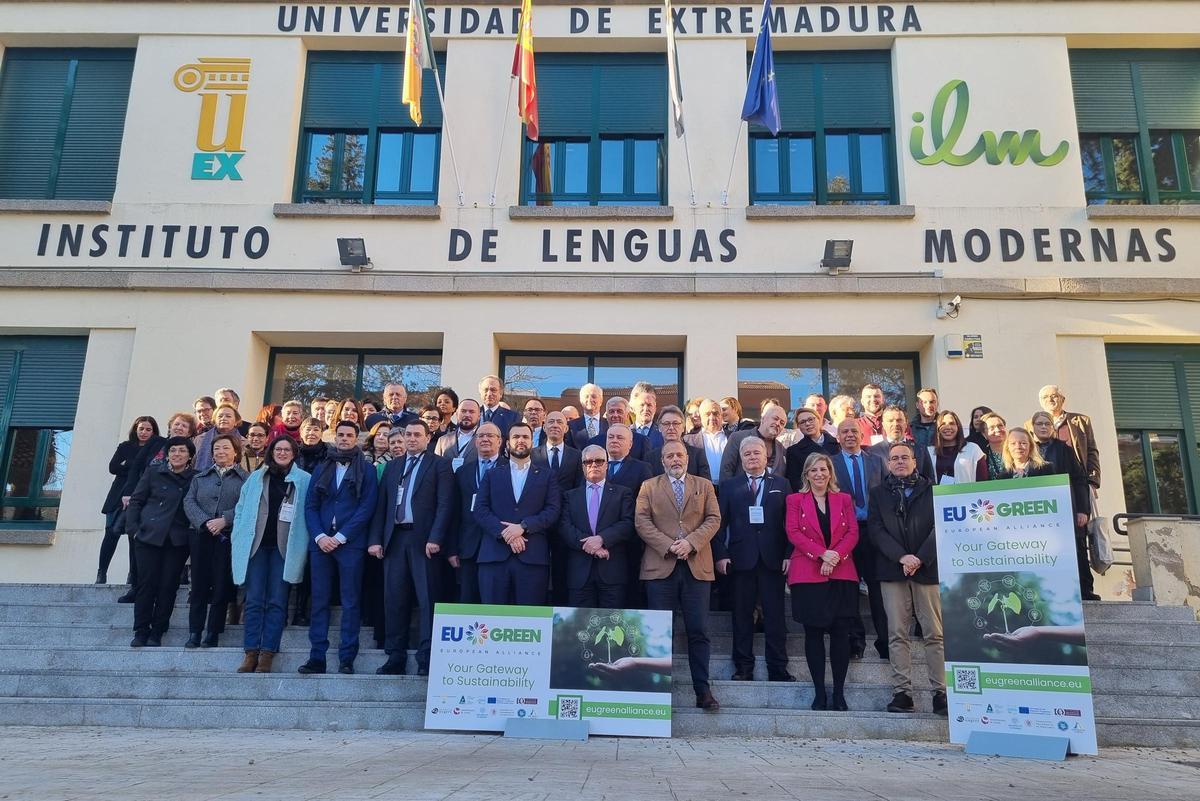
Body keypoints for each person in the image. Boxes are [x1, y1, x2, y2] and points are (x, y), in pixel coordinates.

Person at [636, 441, 722, 711]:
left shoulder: (704, 485)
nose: (675, 459)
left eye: (679, 455)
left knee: (698, 630)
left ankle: (702, 689)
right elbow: (641, 521)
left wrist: (691, 542)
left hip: (696, 566)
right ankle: (658, 691)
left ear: (687, 458)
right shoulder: (648, 486)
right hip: (661, 566)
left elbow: (714, 519)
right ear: (662, 460)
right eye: (669, 455)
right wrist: (669, 545)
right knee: (659, 632)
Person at [867, 442, 946, 716]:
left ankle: (941, 693)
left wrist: (920, 558)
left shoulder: (933, 491)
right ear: (888, 464)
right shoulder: (878, 494)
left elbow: (941, 527)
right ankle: (902, 693)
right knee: (897, 634)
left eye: (905, 457)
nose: (899, 462)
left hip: (927, 570)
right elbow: (876, 531)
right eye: (894, 458)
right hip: (893, 570)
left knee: (934, 634)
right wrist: (902, 557)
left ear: (915, 461)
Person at [370, 420, 454, 675]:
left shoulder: (440, 465)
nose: (412, 438)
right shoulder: (393, 467)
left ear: (428, 438)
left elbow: (445, 505)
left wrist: (436, 537)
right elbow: (381, 506)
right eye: (408, 434)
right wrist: (376, 539)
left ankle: (426, 657)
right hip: (395, 540)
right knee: (394, 599)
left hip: (424, 541)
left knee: (428, 600)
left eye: (418, 434)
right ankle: (395, 656)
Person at [300, 420, 379, 675]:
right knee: (320, 600)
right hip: (321, 544)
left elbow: (367, 507)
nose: (344, 439)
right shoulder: (322, 467)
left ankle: (347, 657)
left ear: (356, 438)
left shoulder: (366, 470)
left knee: (350, 601)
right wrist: (320, 536)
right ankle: (317, 657)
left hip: (350, 545)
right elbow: (310, 506)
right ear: (334, 437)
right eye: (340, 435)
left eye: (349, 435)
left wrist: (342, 536)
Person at [714, 437, 793, 683]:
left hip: (773, 559)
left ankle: (778, 668)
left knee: (775, 616)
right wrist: (721, 554)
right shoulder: (729, 486)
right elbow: (717, 525)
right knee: (742, 615)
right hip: (740, 560)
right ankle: (743, 668)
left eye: (756, 453)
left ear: (765, 457)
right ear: (741, 458)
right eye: (746, 454)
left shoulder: (782, 483)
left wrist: (789, 555)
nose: (751, 457)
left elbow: (790, 524)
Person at [231, 435, 311, 674]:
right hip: (256, 546)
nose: (283, 453)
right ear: (271, 451)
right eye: (279, 449)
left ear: (294, 453)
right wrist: (237, 535)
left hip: (284, 548)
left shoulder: (304, 480)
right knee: (254, 600)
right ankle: (250, 652)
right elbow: (240, 510)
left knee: (277, 601)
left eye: (288, 449)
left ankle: (267, 652)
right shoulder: (256, 478)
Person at [786, 452, 860, 710]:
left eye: (823, 469)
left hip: (841, 572)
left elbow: (852, 532)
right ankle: (819, 692)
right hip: (808, 573)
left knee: (841, 634)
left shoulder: (844, 499)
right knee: (813, 634)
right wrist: (821, 554)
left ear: (831, 473)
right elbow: (793, 532)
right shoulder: (794, 500)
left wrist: (835, 556)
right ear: (806, 474)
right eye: (813, 470)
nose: (819, 474)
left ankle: (838, 693)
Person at [474, 422, 561, 604]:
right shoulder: (492, 475)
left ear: (532, 442)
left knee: (529, 620)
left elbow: (553, 510)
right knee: (493, 618)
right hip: (494, 558)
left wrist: (523, 527)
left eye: (525, 437)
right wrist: (506, 533)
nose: (520, 440)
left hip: (532, 559)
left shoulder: (548, 475)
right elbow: (481, 510)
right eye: (516, 437)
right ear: (507, 443)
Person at [116, 412, 197, 602]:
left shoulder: (193, 471)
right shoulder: (155, 443)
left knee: (167, 581)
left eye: (184, 426)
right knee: (143, 568)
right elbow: (136, 467)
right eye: (176, 424)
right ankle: (135, 588)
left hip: (175, 529)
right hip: (148, 513)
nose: (179, 428)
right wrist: (133, 527)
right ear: (169, 426)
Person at [126, 436, 196, 648]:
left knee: (168, 586)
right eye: (173, 451)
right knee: (146, 585)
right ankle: (140, 630)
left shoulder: (196, 478)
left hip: (177, 539)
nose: (177, 454)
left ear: (190, 456)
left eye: (182, 451)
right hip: (148, 536)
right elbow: (136, 500)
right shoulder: (153, 472)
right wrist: (133, 530)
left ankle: (158, 631)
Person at [183, 433, 248, 648]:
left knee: (221, 586)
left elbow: (247, 505)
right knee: (199, 586)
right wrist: (205, 522)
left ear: (235, 452)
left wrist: (224, 520)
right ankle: (194, 632)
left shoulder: (246, 480)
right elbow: (189, 501)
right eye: (217, 448)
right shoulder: (200, 477)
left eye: (225, 448)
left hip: (227, 538)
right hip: (201, 536)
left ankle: (213, 631)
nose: (220, 452)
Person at [831, 418, 888, 661]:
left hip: (874, 531)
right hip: (845, 534)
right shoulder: (830, 464)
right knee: (849, 589)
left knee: (877, 588)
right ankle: (856, 641)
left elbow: (887, 495)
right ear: (838, 437)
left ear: (861, 434)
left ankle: (885, 641)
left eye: (854, 431)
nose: (850, 435)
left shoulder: (877, 461)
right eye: (845, 432)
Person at [1030, 410, 1097, 599]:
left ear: (1052, 427)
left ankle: (1085, 591)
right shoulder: (1029, 450)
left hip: (1067, 510)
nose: (1043, 427)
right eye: (1039, 424)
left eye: (1047, 424)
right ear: (1032, 427)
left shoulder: (1064, 449)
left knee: (1076, 550)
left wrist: (1083, 510)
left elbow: (1079, 479)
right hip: (1040, 515)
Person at [559, 445, 636, 608]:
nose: (594, 465)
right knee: (579, 629)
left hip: (612, 571)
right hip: (579, 573)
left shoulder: (623, 493)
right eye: (588, 462)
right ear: (582, 466)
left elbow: (627, 524)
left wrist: (602, 539)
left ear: (607, 464)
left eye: (599, 461)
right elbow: (565, 527)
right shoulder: (569, 496)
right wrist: (592, 547)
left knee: (612, 627)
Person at [98, 415, 159, 585]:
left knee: (135, 537)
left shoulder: (156, 449)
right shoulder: (125, 446)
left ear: (154, 432)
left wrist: (129, 465)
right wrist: (136, 465)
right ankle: (101, 573)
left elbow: (149, 470)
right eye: (141, 429)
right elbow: (113, 467)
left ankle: (133, 576)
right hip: (118, 493)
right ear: (135, 429)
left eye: (148, 429)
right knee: (110, 533)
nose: (144, 433)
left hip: (142, 495)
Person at [447, 422, 503, 603]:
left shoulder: (509, 469)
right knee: (467, 600)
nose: (485, 439)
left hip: (499, 546)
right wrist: (452, 548)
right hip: (468, 546)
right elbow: (455, 512)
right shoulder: (463, 472)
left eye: (490, 435)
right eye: (480, 436)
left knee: (495, 601)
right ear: (475, 441)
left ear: (500, 441)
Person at [720, 402, 787, 481]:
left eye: (782, 423)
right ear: (763, 419)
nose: (778, 423)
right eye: (775, 418)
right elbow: (726, 470)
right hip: (741, 491)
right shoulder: (737, 438)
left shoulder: (781, 449)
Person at [868, 406, 935, 482]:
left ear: (906, 423)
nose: (895, 424)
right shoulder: (873, 452)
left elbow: (930, 482)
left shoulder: (920, 450)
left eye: (899, 420)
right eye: (890, 421)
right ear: (883, 425)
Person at [646, 405, 710, 480]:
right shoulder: (650, 458)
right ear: (659, 428)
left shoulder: (698, 455)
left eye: (675, 423)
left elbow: (705, 486)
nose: (671, 428)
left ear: (683, 427)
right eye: (666, 424)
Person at [784, 407, 840, 489]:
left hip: (837, 494)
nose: (807, 424)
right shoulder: (794, 451)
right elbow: (795, 482)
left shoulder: (838, 444)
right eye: (802, 422)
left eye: (811, 419)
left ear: (819, 420)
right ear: (798, 427)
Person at [929, 411, 986, 484]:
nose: (948, 427)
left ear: (958, 427)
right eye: (943, 424)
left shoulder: (973, 449)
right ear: (937, 428)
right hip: (937, 495)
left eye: (952, 423)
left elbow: (983, 480)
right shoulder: (929, 452)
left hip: (967, 494)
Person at [532, 410, 582, 492]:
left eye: (559, 422)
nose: (555, 425)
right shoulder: (532, 454)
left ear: (566, 428)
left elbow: (578, 486)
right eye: (551, 422)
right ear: (544, 427)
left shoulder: (576, 456)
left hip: (566, 503)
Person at [684, 398, 727, 485]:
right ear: (701, 416)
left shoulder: (734, 438)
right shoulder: (688, 441)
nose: (712, 417)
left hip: (729, 490)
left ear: (721, 416)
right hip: (702, 490)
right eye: (707, 414)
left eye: (715, 413)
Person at [193, 403, 243, 472]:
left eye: (228, 416)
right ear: (214, 420)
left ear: (236, 421)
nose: (223, 418)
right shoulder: (200, 439)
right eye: (220, 416)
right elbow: (193, 463)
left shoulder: (244, 442)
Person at [434, 398, 481, 466]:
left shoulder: (484, 440)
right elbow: (436, 466)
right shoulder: (442, 441)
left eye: (471, 411)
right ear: (457, 414)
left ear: (479, 416)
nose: (467, 415)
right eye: (463, 411)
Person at [569, 383, 606, 449]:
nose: (590, 400)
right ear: (581, 400)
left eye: (594, 396)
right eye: (586, 396)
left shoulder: (608, 424)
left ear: (601, 400)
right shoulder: (571, 426)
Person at [629, 383, 665, 451]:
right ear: (633, 408)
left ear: (655, 408)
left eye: (649, 405)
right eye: (642, 405)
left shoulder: (663, 433)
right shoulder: (626, 433)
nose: (646, 409)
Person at [980, 412, 1008, 480]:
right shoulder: (980, 455)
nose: (997, 430)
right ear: (984, 434)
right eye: (991, 428)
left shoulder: (1017, 450)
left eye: (1000, 426)